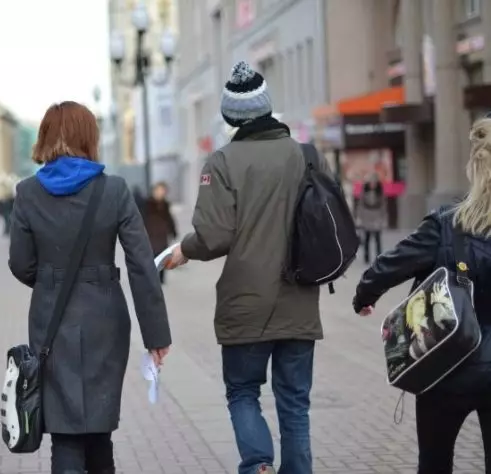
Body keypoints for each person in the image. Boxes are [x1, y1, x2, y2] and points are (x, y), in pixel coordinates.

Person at [167, 62, 329, 474]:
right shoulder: (304, 155)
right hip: (299, 300)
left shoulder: (222, 162)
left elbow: (213, 236)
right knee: (295, 404)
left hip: (245, 304)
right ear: (267, 108)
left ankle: (258, 465)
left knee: (242, 392)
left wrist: (184, 250)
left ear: (229, 115)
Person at [8, 101, 172, 474]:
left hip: (51, 319)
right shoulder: (114, 190)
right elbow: (141, 265)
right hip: (105, 318)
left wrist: (51, 281)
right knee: (99, 426)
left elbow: (20, 264)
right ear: (89, 138)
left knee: (65, 431)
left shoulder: (28, 192)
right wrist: (156, 334)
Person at [353, 117, 491, 474]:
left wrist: (364, 295)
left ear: (474, 165)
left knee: (434, 461)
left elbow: (388, 266)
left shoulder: (447, 223)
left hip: (448, 366)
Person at [143, 182, 177, 283]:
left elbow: (169, 219)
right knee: (151, 257)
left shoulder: (165, 205)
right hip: (150, 235)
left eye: (163, 191)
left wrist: (173, 231)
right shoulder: (147, 204)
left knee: (163, 256)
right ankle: (152, 278)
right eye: (158, 190)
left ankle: (161, 279)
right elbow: (141, 219)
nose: (160, 193)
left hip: (162, 235)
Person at [356, 172, 386, 264]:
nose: (373, 184)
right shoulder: (364, 191)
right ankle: (366, 257)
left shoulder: (380, 192)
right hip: (367, 217)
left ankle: (379, 257)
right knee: (367, 239)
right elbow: (360, 205)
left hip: (377, 217)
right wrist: (359, 217)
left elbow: (383, 205)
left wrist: (383, 217)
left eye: (374, 182)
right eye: (371, 182)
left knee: (377, 239)